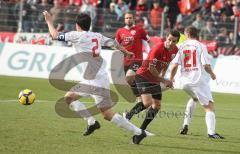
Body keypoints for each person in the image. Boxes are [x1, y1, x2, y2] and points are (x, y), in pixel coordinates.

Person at [43, 11, 153, 143]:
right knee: (69, 98)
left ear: (77, 25)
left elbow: (54, 35)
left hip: (96, 81)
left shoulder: (76, 35)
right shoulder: (96, 35)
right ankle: (91, 123)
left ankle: (139, 132)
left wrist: (49, 20)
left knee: (107, 114)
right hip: (92, 78)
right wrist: (126, 51)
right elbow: (113, 43)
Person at [124, 30, 180, 143]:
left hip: (155, 79)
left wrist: (163, 76)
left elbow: (167, 62)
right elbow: (151, 68)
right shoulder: (157, 48)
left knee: (157, 106)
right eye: (169, 40)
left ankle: (141, 131)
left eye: (174, 41)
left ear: (177, 41)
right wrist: (164, 79)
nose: (170, 43)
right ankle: (127, 116)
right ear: (166, 38)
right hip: (143, 76)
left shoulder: (175, 50)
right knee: (147, 103)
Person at [169, 26, 224, 139]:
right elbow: (206, 65)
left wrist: (171, 79)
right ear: (196, 34)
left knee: (194, 98)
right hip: (197, 79)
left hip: (183, 82)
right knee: (209, 106)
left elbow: (174, 65)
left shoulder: (181, 46)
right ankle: (211, 133)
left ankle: (185, 124)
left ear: (187, 34)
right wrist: (212, 74)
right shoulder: (201, 45)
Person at [115, 12, 151, 110]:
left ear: (133, 19)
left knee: (129, 77)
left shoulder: (139, 30)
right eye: (126, 18)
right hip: (125, 60)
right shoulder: (120, 31)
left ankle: (144, 96)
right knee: (130, 81)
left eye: (130, 18)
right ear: (124, 20)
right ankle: (140, 98)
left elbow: (148, 41)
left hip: (137, 59)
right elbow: (117, 45)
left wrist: (150, 54)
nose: (128, 19)